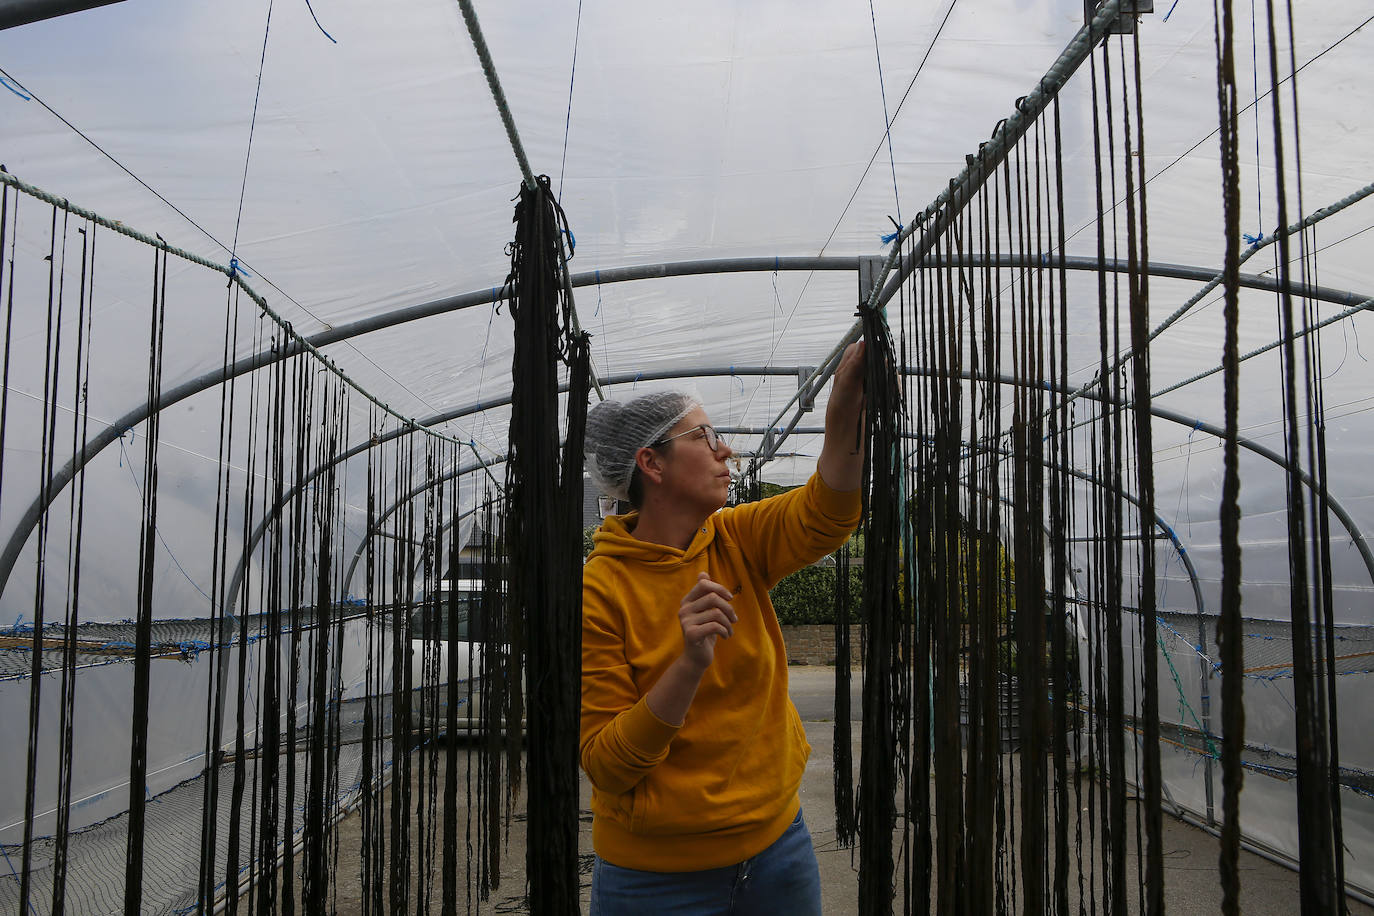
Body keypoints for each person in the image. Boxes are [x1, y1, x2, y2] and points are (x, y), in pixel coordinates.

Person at [579, 341, 867, 915]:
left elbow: (827, 512)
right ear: (651, 463)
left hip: (777, 851)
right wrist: (687, 665)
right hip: (655, 879)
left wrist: (845, 410)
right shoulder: (598, 592)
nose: (726, 450)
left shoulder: (737, 537)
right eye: (705, 437)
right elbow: (606, 764)